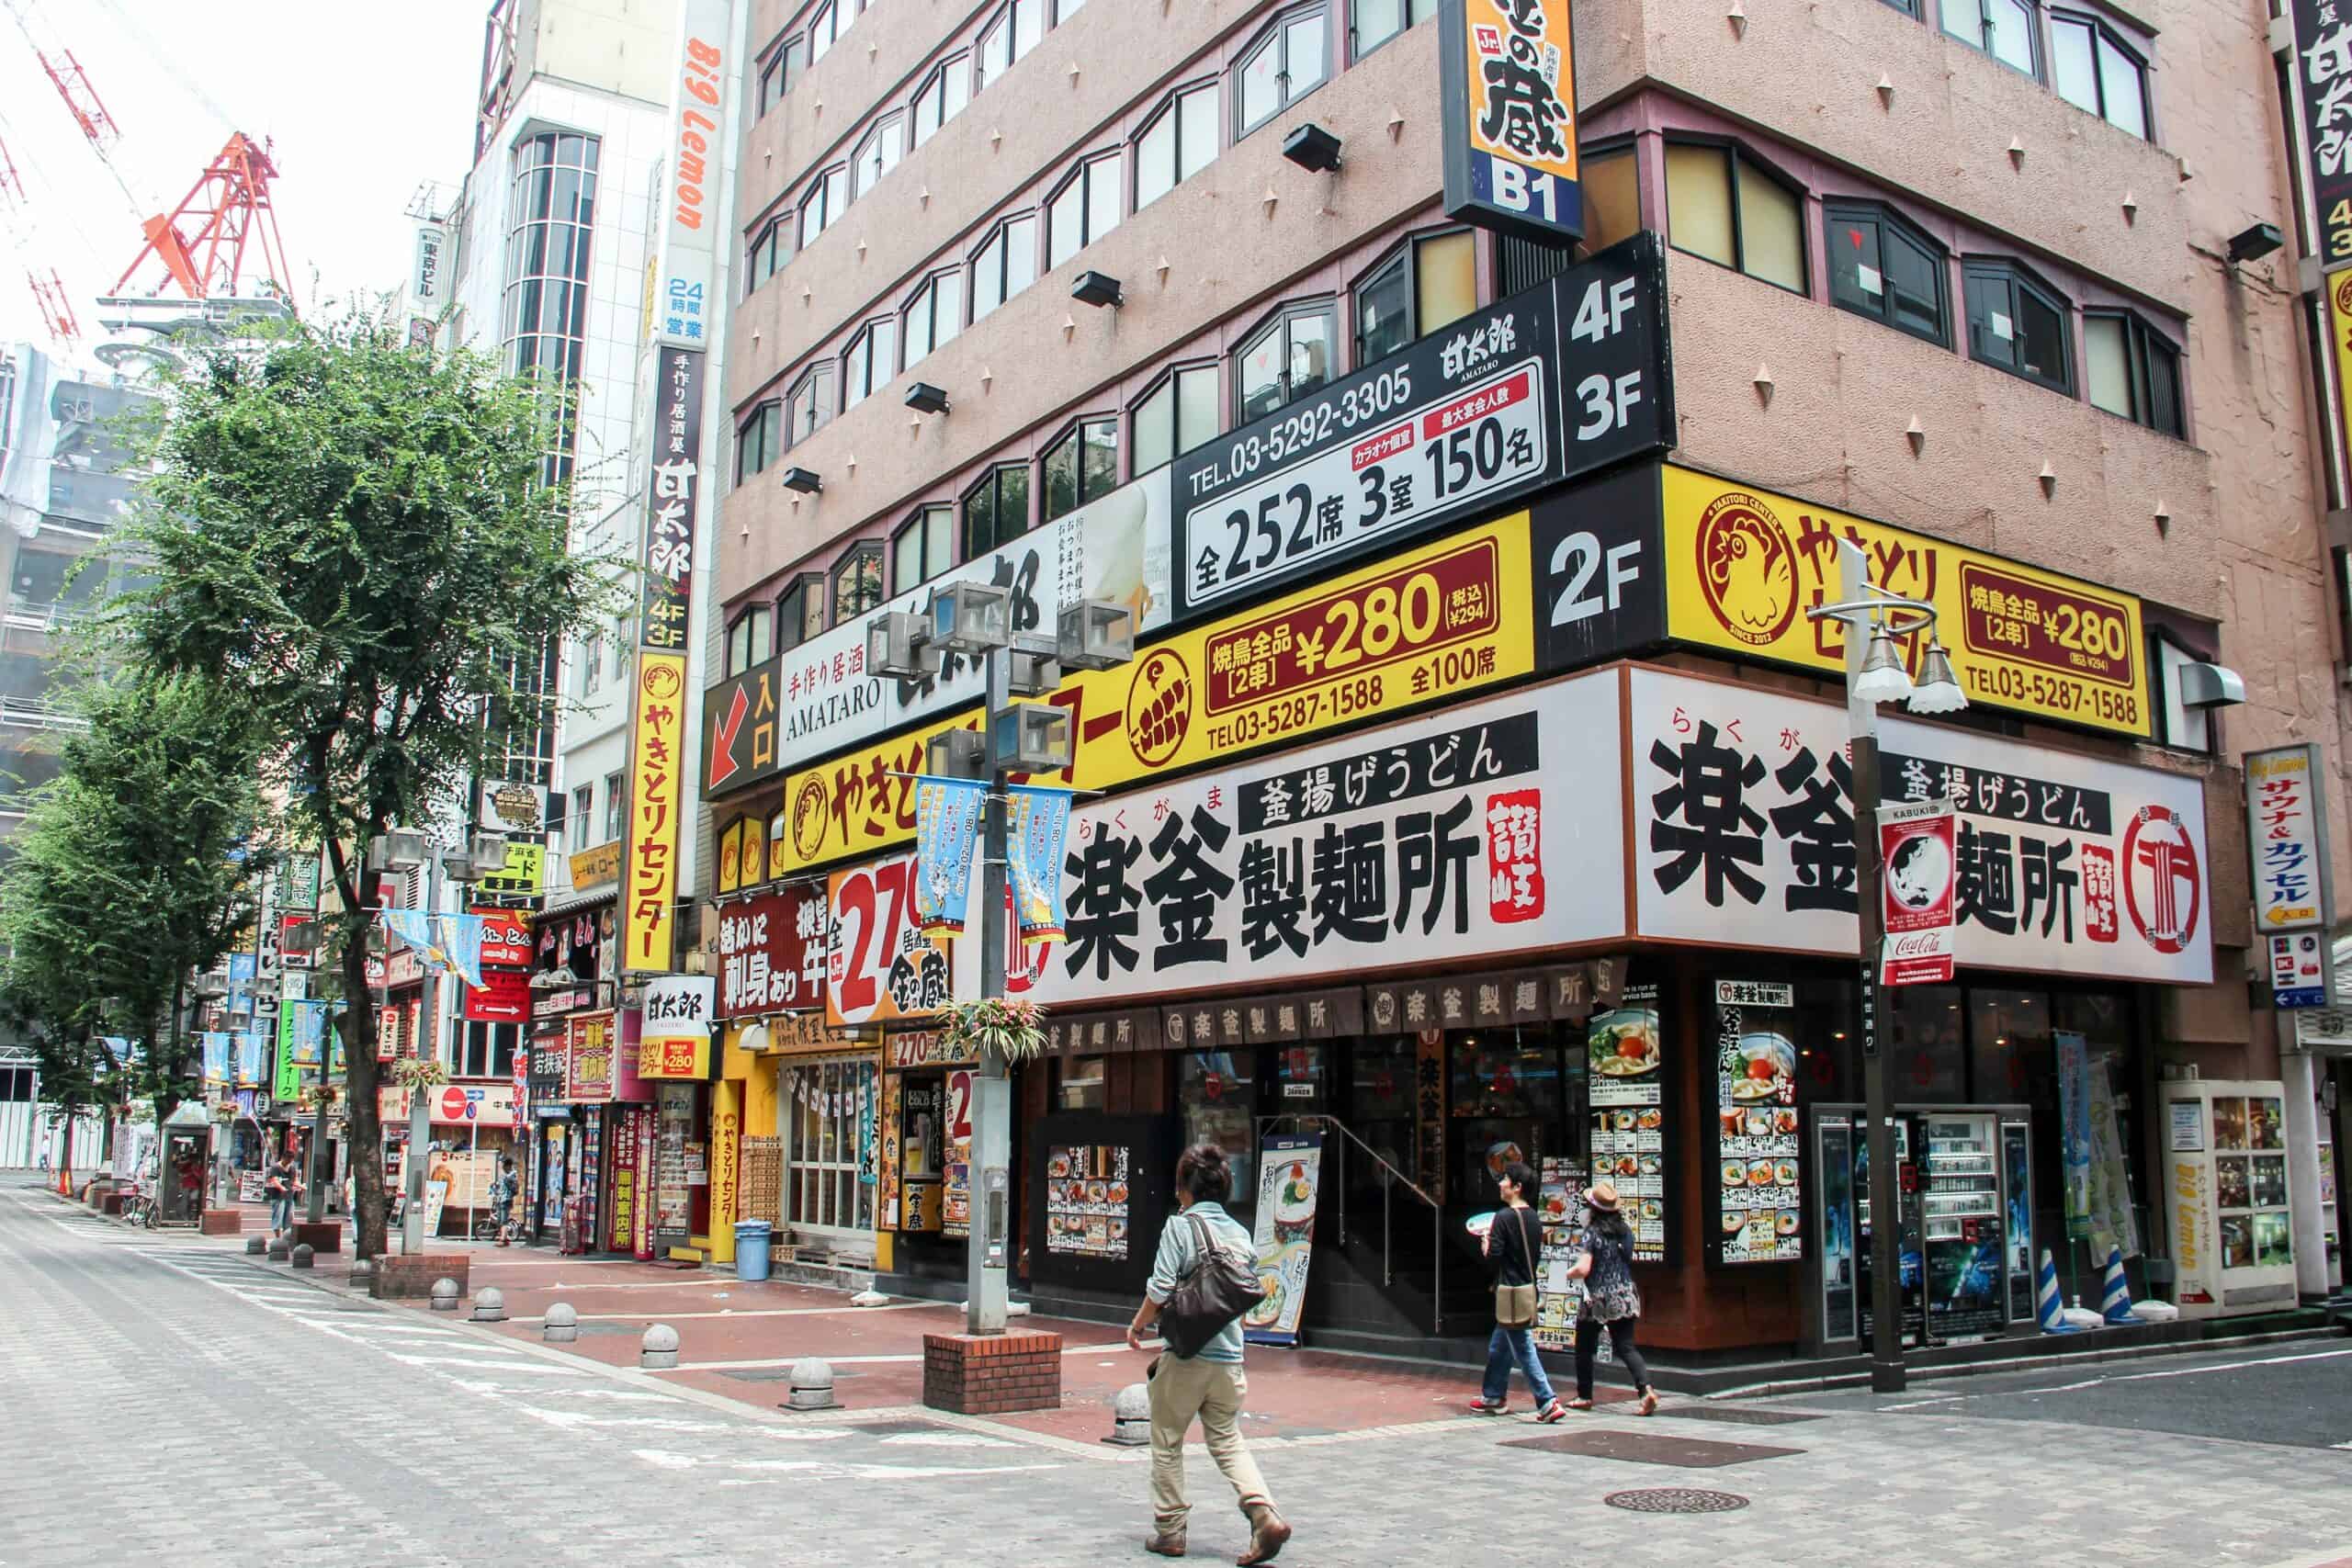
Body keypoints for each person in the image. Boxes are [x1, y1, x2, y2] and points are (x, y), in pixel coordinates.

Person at [1125, 1143, 1291, 1564]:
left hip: (1185, 1357)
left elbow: (1161, 1289)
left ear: (1184, 1190)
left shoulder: (1179, 1227)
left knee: (1165, 1441)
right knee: (1227, 1439)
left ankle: (1171, 1531)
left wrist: (1138, 1324)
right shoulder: (1239, 1233)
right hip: (1230, 1359)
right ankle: (1263, 1513)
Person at [1469, 1162, 1566, 1421]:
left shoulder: (1504, 1217)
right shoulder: (1534, 1217)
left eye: (1505, 1180)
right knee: (1499, 1346)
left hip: (1509, 1291)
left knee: (1522, 1347)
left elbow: (1495, 1257)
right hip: (1526, 1288)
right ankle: (1493, 1396)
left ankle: (1547, 1401)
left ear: (1517, 1187)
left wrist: (1486, 1244)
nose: (1500, 1183)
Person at [1565, 1182, 1658, 1416]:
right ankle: (1645, 1390)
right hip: (1625, 1294)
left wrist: (1570, 1272)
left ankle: (1584, 1396)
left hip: (1597, 1298)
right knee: (1626, 1346)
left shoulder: (1592, 1233)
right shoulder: (1626, 1231)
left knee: (1585, 1347)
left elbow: (1584, 1268)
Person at [265, 1149, 300, 1236]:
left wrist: (300, 1186)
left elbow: (294, 1181)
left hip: (289, 1196)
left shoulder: (292, 1168)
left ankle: (286, 1237)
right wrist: (281, 1188)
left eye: (291, 1160)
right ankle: (278, 1238)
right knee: (278, 1216)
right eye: (288, 1160)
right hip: (278, 1196)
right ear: (283, 1158)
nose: (289, 1162)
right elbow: (275, 1180)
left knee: (289, 1217)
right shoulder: (276, 1167)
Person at [489, 1156, 519, 1247]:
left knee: (503, 1220)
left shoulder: (511, 1176)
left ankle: (503, 1239)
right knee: (500, 1220)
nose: (503, 1168)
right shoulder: (505, 1176)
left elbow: (513, 1189)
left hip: (505, 1200)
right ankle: (504, 1239)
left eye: (504, 1166)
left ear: (508, 1166)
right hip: (501, 1200)